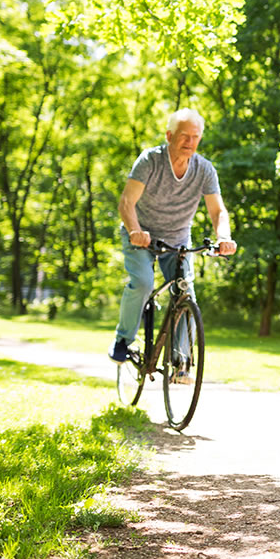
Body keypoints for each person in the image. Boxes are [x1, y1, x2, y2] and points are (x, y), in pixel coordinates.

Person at [109, 109, 239, 375]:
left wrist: (223, 237)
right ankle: (123, 339)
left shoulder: (204, 169)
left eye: (195, 137)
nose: (189, 142)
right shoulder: (150, 161)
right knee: (143, 282)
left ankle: (181, 361)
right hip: (141, 235)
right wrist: (135, 230)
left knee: (184, 291)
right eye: (183, 136)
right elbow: (126, 202)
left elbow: (218, 211)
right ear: (169, 136)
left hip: (177, 239)